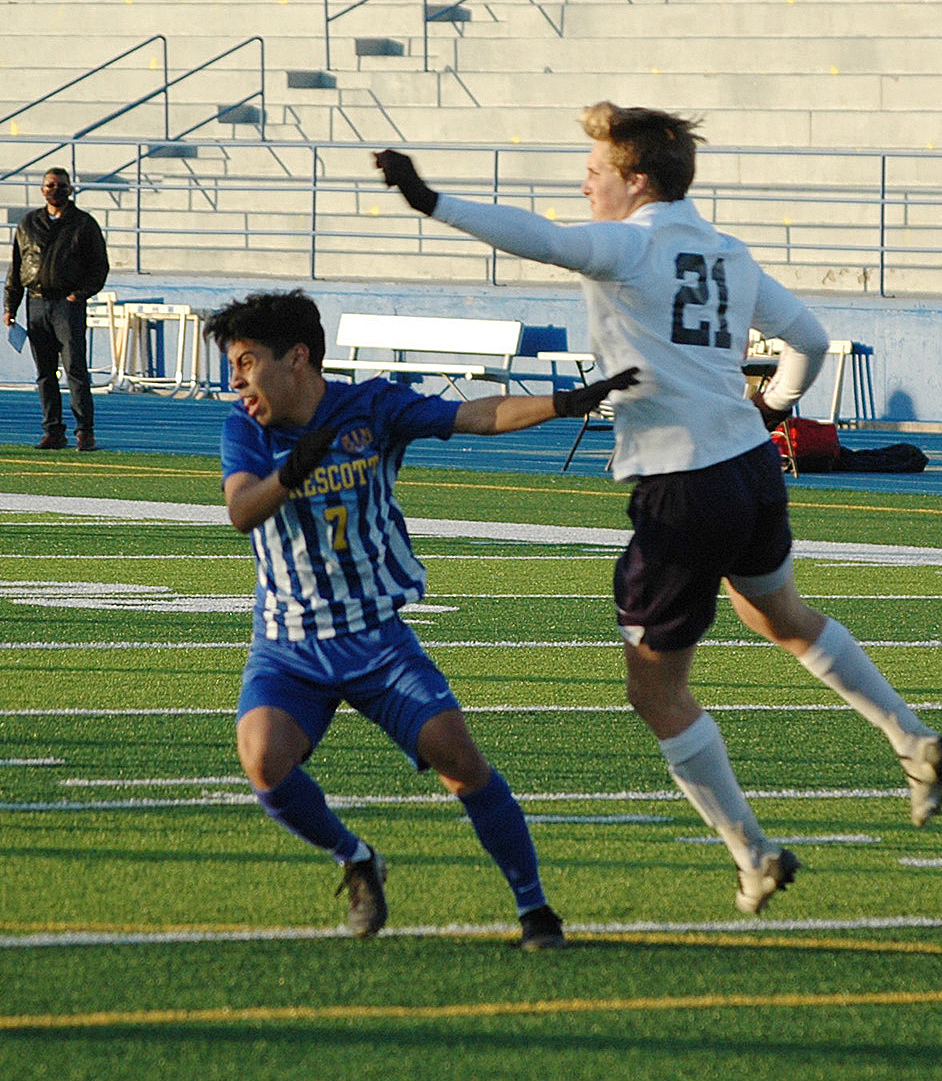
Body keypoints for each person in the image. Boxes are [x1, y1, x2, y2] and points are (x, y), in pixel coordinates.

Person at [375, 104, 942, 915]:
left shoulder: (632, 243)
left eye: (595, 172)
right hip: (752, 468)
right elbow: (812, 339)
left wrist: (432, 201)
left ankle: (754, 856)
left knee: (655, 693)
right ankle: (911, 739)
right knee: (780, 615)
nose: (585, 187)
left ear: (637, 180)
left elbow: (537, 237)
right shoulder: (729, 251)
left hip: (683, 485)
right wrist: (774, 410)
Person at [205, 289, 634, 950]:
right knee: (264, 760)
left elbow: (475, 413)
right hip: (289, 645)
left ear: (296, 358)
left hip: (376, 638)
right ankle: (355, 859)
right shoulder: (247, 429)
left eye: (244, 362)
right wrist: (294, 469)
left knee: (459, 758)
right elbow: (242, 512)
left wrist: (560, 403)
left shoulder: (370, 408)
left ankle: (534, 909)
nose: (236, 381)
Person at [4, 167, 109, 451]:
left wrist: (80, 295)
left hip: (67, 304)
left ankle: (84, 431)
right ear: (42, 189)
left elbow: (99, 267)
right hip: (35, 301)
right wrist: (10, 306)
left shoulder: (83, 224)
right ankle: (53, 431)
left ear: (70, 189)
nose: (56, 190)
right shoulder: (28, 224)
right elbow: (16, 267)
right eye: (50, 185)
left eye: (61, 186)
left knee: (75, 368)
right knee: (45, 372)